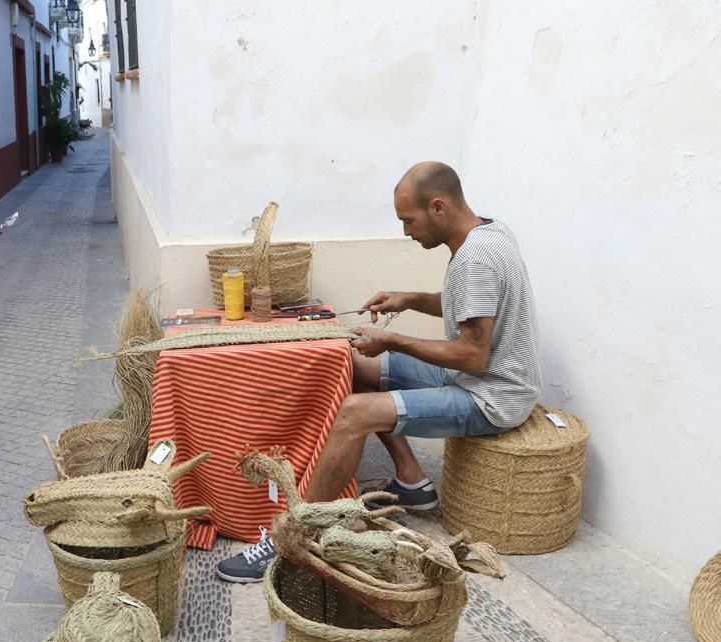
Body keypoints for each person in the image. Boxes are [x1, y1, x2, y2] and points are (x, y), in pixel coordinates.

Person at [216, 161, 541, 583]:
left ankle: (292, 539)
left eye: (409, 220)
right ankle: (412, 481)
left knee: (355, 412)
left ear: (438, 207)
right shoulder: (490, 232)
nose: (407, 231)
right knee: (351, 362)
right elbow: (470, 301)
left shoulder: (475, 258)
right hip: (471, 379)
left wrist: (393, 339)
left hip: (491, 396)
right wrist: (408, 299)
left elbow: (472, 356)